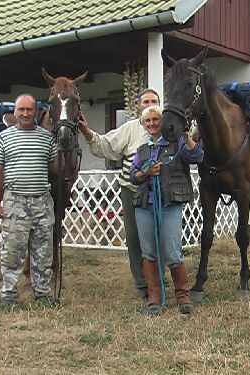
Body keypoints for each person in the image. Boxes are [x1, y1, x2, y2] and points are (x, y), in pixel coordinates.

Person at [78, 88, 160, 299]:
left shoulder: (168, 127)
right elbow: (105, 145)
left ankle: (159, 281)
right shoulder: (129, 129)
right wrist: (87, 131)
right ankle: (142, 285)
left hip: (160, 192)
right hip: (132, 190)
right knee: (134, 238)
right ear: (139, 106)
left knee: (160, 236)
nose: (149, 105)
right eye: (145, 102)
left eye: (154, 101)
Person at [130, 106, 204, 315]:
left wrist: (186, 137)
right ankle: (154, 297)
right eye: (148, 121)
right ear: (144, 125)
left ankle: (183, 295)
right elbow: (132, 176)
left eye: (156, 120)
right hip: (145, 205)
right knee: (148, 252)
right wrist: (145, 172)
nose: (152, 124)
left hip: (169, 205)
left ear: (162, 122)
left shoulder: (177, 144)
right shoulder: (142, 150)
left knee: (172, 251)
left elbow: (197, 156)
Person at [0, 93, 57, 306]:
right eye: (21, 110)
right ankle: (8, 294)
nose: (25, 113)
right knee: (12, 250)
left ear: (36, 112)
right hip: (15, 201)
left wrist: (67, 148)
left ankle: (43, 294)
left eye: (29, 109)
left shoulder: (46, 138)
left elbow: (56, 168)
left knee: (43, 251)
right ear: (15, 112)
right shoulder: (4, 137)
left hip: (42, 202)